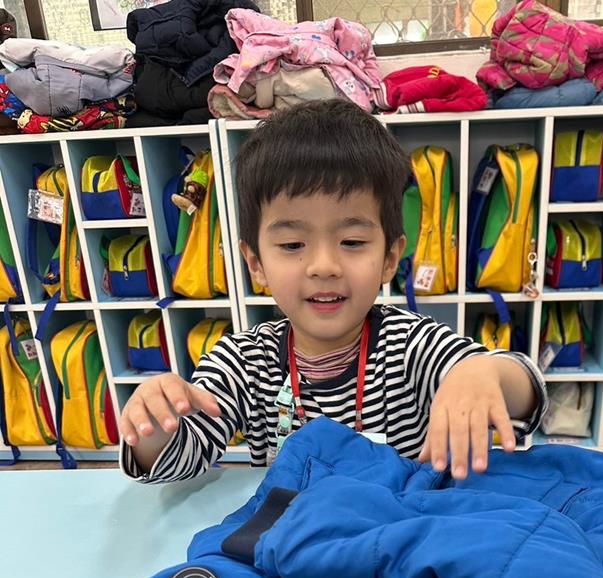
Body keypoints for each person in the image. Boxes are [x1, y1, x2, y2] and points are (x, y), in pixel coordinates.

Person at [120, 99, 547, 483]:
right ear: (256, 264)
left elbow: (527, 398)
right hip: (294, 538)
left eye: (352, 242)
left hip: (397, 534)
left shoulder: (413, 346)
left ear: (389, 258)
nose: (323, 266)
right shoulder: (244, 362)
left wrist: (487, 374)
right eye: (292, 245)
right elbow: (179, 461)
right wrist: (154, 426)